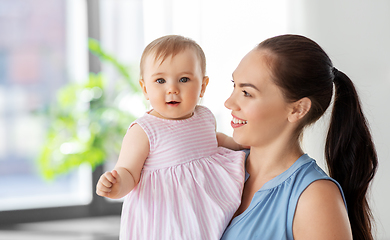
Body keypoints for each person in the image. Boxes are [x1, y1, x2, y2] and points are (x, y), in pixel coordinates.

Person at [221, 34, 378, 240]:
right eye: (234, 85)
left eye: (247, 93)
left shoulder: (314, 198)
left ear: (297, 109)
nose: (229, 103)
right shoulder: (219, 165)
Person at [95, 35, 246, 240]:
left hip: (204, 208)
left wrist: (239, 143)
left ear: (202, 86)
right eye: (160, 80)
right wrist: (116, 185)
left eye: (184, 79)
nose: (172, 88)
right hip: (166, 216)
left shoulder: (204, 115)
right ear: (145, 88)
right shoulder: (144, 130)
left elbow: (214, 139)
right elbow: (129, 171)